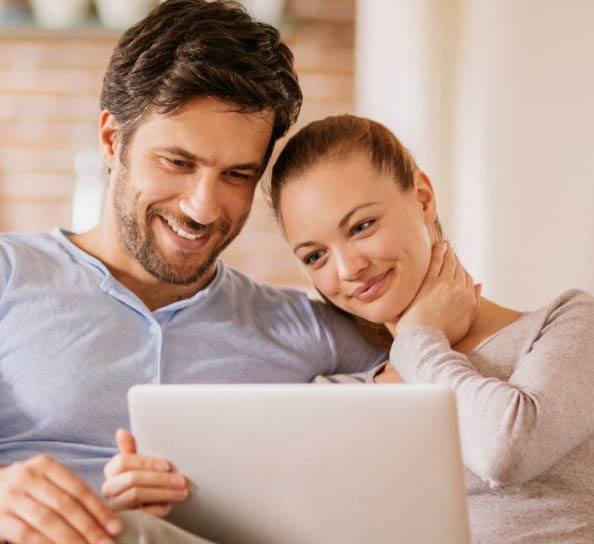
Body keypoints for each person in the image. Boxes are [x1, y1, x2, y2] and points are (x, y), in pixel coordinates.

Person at [0, 3, 386, 543]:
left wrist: (433, 312)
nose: (204, 208)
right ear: (113, 140)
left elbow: (445, 405)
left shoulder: (306, 329)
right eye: (178, 163)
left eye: (236, 174)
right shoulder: (9, 275)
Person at [268, 114, 594, 543]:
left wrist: (419, 339)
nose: (348, 269)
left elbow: (504, 450)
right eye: (315, 257)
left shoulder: (566, 324)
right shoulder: (338, 394)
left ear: (422, 199)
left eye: (362, 226)